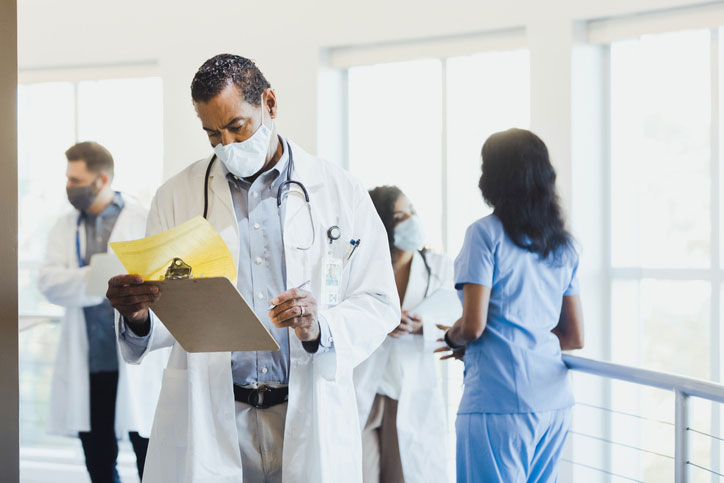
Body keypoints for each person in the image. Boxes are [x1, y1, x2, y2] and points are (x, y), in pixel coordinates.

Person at [106, 54, 400, 483]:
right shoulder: (177, 196)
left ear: (270, 103)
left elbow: (378, 302)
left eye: (236, 126)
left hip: (304, 411)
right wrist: (138, 316)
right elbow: (176, 314)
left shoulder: (339, 190)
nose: (226, 145)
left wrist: (320, 327)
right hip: (214, 415)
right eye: (212, 134)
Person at [436, 128, 584, 483]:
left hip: (497, 403)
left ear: (492, 177)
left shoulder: (484, 234)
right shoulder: (562, 245)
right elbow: (574, 336)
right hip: (553, 402)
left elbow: (473, 326)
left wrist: (455, 340)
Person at [38, 142, 168, 482]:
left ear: (101, 180)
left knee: (149, 457)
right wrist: (103, 280)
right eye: (68, 178)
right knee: (98, 460)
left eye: (76, 179)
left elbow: (156, 284)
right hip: (91, 362)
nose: (69, 186)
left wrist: (90, 281)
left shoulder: (143, 219)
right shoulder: (65, 225)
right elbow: (49, 282)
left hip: (136, 360)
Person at [354, 186, 460, 483]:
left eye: (412, 211)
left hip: (409, 389)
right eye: (401, 216)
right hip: (365, 387)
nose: (412, 220)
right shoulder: (361, 266)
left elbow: (456, 316)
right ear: (383, 224)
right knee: (357, 471)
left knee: (404, 475)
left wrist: (419, 324)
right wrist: (380, 319)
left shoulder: (438, 267)